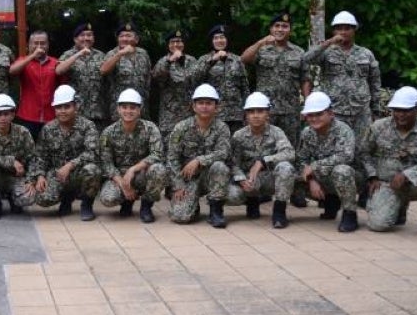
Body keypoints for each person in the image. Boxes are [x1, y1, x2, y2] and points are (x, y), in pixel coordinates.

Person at [360, 87, 417, 239]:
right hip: (388, 183)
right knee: (378, 225)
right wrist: (372, 176)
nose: (400, 115)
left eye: (406, 110)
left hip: (416, 185)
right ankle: (397, 208)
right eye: (396, 110)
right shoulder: (378, 127)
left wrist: (407, 175)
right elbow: (364, 152)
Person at [303, 11, 382, 141]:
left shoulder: (366, 54)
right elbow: (307, 59)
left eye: (347, 29)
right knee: (338, 145)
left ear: (354, 30)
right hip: (335, 110)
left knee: (363, 147)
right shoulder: (327, 52)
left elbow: (375, 83)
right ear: (334, 31)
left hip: (360, 111)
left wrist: (376, 110)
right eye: (339, 29)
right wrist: (329, 42)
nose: (343, 32)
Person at [29, 85, 102, 221]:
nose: (62, 111)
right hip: (57, 174)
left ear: (75, 107)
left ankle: (86, 204)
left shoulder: (87, 126)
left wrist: (70, 165)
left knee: (92, 170)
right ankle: (66, 199)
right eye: (59, 107)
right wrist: (40, 175)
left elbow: (93, 153)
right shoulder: (48, 129)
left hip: (78, 172)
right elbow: (40, 156)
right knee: (42, 199)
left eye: (67, 107)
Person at [226, 92, 297, 229]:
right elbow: (233, 162)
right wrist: (241, 179)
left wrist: (264, 161)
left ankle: (279, 212)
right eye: (251, 111)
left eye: (260, 111)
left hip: (270, 179)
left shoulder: (276, 132)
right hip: (249, 180)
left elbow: (289, 153)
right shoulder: (239, 136)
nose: (256, 115)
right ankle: (252, 201)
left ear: (268, 114)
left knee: (285, 167)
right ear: (246, 115)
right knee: (231, 195)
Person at [97, 88, 168, 223]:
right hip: (119, 176)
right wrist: (123, 185)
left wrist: (133, 169)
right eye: (124, 107)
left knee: (159, 169)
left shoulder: (150, 128)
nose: (128, 111)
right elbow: (106, 163)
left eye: (132, 107)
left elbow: (157, 154)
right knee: (108, 198)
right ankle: (126, 202)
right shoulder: (109, 132)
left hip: (141, 174)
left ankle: (146, 206)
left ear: (139, 110)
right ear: (118, 109)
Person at [239, 12, 309, 147]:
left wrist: (307, 104)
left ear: (290, 30)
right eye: (277, 26)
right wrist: (261, 42)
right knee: (265, 146)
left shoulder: (299, 52)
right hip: (265, 110)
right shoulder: (262, 49)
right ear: (271, 29)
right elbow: (243, 59)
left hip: (290, 110)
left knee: (290, 146)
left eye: (285, 26)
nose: (280, 29)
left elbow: (305, 79)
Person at [167, 84, 232, 228]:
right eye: (200, 103)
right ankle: (192, 207)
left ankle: (216, 210)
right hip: (188, 178)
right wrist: (178, 185)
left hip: (211, 177)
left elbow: (224, 153)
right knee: (180, 216)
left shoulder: (222, 128)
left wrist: (199, 160)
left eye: (209, 103)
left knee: (220, 166)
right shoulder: (181, 128)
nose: (204, 107)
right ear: (194, 106)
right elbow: (172, 158)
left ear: (216, 107)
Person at [296, 91, 360, 232]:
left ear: (331, 114)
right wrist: (311, 180)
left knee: (341, 171)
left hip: (350, 178)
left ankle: (350, 213)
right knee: (292, 176)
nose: (314, 119)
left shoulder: (343, 130)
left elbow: (346, 156)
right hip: (322, 177)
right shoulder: (307, 133)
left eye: (319, 114)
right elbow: (301, 159)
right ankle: (330, 201)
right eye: (310, 115)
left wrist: (314, 166)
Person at [0, 94, 36, 217]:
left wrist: (31, 180)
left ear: (13, 114)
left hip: (15, 177)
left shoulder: (23, 132)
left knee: (28, 198)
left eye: (6, 114)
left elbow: (33, 158)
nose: (3, 118)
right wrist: (11, 161)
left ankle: (13, 198)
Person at [189, 24, 249, 133]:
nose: (219, 41)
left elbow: (244, 87)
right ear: (212, 41)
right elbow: (195, 80)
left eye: (222, 37)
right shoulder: (204, 59)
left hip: (236, 115)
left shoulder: (237, 60)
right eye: (216, 38)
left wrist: (246, 110)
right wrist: (212, 61)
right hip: (213, 114)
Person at [9, 30, 60, 140]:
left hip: (51, 116)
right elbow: (12, 71)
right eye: (35, 43)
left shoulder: (55, 62)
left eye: (43, 43)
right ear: (29, 45)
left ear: (48, 45)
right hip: (27, 116)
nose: (39, 46)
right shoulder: (23, 60)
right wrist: (32, 56)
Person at [56, 22, 107, 131]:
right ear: (75, 39)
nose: (86, 38)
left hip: (96, 111)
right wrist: (79, 54)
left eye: (89, 35)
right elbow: (59, 71)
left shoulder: (101, 56)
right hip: (75, 111)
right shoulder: (68, 55)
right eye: (82, 35)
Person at [150, 29, 197, 144]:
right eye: (172, 42)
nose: (176, 45)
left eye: (179, 41)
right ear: (168, 45)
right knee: (169, 145)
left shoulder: (192, 61)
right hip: (169, 115)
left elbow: (198, 80)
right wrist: (170, 61)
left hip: (189, 112)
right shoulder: (163, 61)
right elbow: (156, 77)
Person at [100, 22, 152, 123]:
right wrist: (120, 54)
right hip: (120, 108)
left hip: (141, 106)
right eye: (121, 36)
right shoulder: (112, 54)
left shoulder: (143, 54)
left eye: (128, 36)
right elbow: (103, 70)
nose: (124, 38)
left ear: (136, 39)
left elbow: (148, 79)